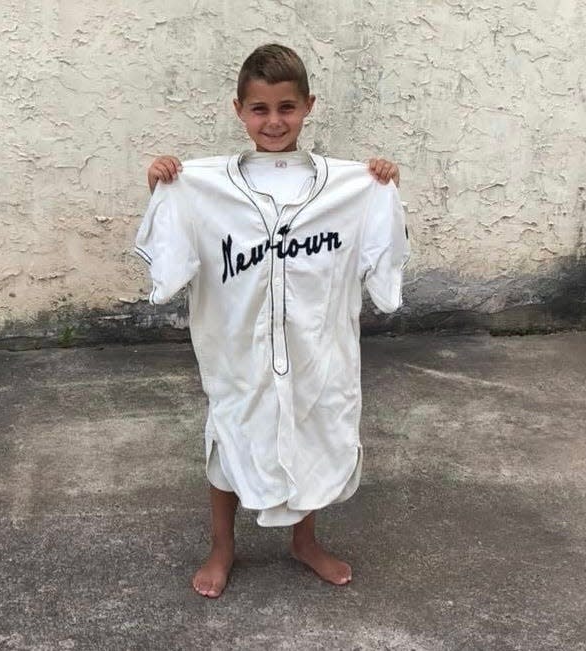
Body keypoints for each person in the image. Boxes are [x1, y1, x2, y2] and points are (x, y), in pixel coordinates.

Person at [135, 44, 410, 598]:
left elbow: (382, 261)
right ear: (239, 110)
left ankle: (304, 542)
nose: (274, 121)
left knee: (307, 430)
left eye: (286, 107)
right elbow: (173, 251)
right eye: (260, 109)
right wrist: (162, 187)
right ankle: (222, 547)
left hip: (315, 347)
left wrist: (382, 183)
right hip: (238, 348)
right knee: (230, 436)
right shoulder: (201, 186)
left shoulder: (352, 187)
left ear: (308, 106)